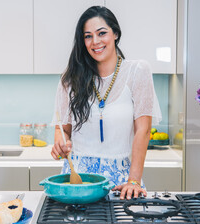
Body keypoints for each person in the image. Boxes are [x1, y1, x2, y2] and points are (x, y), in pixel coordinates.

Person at [51, 6, 162, 200]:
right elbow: (63, 129)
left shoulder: (138, 71)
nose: (95, 42)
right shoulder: (70, 79)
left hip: (123, 182)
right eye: (88, 36)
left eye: (102, 33)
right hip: (77, 181)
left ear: (116, 33)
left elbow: (143, 130)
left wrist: (134, 180)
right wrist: (60, 143)